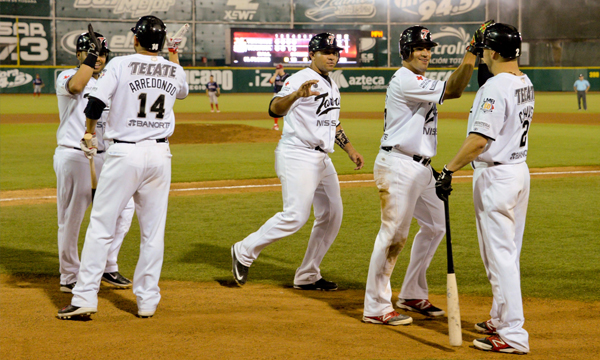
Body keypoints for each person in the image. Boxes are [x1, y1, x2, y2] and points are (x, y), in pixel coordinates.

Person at [58, 16, 189, 319]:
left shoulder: (121, 65)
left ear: (135, 39)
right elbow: (181, 92)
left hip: (124, 155)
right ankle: (147, 301)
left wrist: (89, 131)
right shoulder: (173, 69)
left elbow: (94, 105)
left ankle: (85, 297)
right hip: (159, 155)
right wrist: (172, 55)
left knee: (102, 225)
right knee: (153, 232)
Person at [362, 22, 492, 326]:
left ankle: (411, 292)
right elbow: (457, 89)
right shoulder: (405, 79)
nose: (425, 53)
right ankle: (376, 306)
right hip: (398, 165)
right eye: (420, 48)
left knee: (435, 225)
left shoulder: (419, 78)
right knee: (393, 235)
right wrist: (471, 52)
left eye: (428, 49)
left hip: (420, 167)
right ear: (406, 51)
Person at [231, 33, 364, 290]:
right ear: (311, 55)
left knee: (332, 215)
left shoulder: (331, 84)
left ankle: (308, 275)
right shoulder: (299, 79)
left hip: (322, 158)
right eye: (326, 52)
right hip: (297, 154)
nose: (332, 56)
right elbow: (274, 108)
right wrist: (296, 96)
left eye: (335, 52)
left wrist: (349, 148)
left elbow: (331, 122)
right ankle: (243, 251)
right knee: (295, 215)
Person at [435, 23, 532, 355]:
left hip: (497, 179)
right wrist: (479, 51)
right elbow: (490, 86)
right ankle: (501, 317)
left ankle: (514, 334)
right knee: (506, 253)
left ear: (491, 52)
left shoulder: (495, 88)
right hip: (518, 171)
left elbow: (479, 140)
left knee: (499, 256)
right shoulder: (523, 81)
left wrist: (448, 169)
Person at [54, 29, 135, 294]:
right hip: (74, 154)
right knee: (72, 217)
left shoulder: (111, 81)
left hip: (107, 155)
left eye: (101, 53)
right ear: (78, 54)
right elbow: (78, 86)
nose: (97, 58)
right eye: (90, 53)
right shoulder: (67, 76)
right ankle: (69, 274)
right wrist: (91, 54)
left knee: (125, 211)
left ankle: (107, 266)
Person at [268, 64, 290, 130]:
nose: (278, 70)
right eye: (277, 69)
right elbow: (271, 81)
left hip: (285, 94)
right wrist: (275, 74)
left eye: (279, 69)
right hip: (277, 94)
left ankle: (288, 126)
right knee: (275, 108)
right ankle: (276, 125)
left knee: (288, 110)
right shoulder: (276, 76)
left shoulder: (287, 76)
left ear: (282, 69)